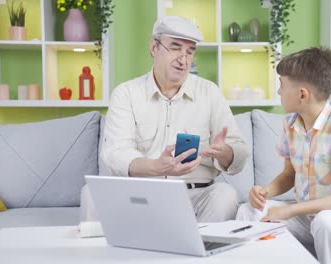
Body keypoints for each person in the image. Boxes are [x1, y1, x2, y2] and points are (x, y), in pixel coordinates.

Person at [236, 47, 331, 264]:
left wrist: (291, 210)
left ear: (302, 94)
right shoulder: (290, 124)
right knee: (248, 211)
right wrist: (265, 192)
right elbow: (289, 175)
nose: (278, 92)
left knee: (327, 221)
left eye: (282, 85)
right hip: (308, 214)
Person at [101, 16, 250, 222]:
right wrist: (158, 166)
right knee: (93, 195)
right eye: (175, 48)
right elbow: (115, 154)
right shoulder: (126, 94)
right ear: (154, 47)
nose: (183, 59)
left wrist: (227, 153)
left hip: (197, 196)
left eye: (190, 52)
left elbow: (239, 153)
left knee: (225, 194)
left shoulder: (210, 93)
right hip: (146, 195)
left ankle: (202, 249)